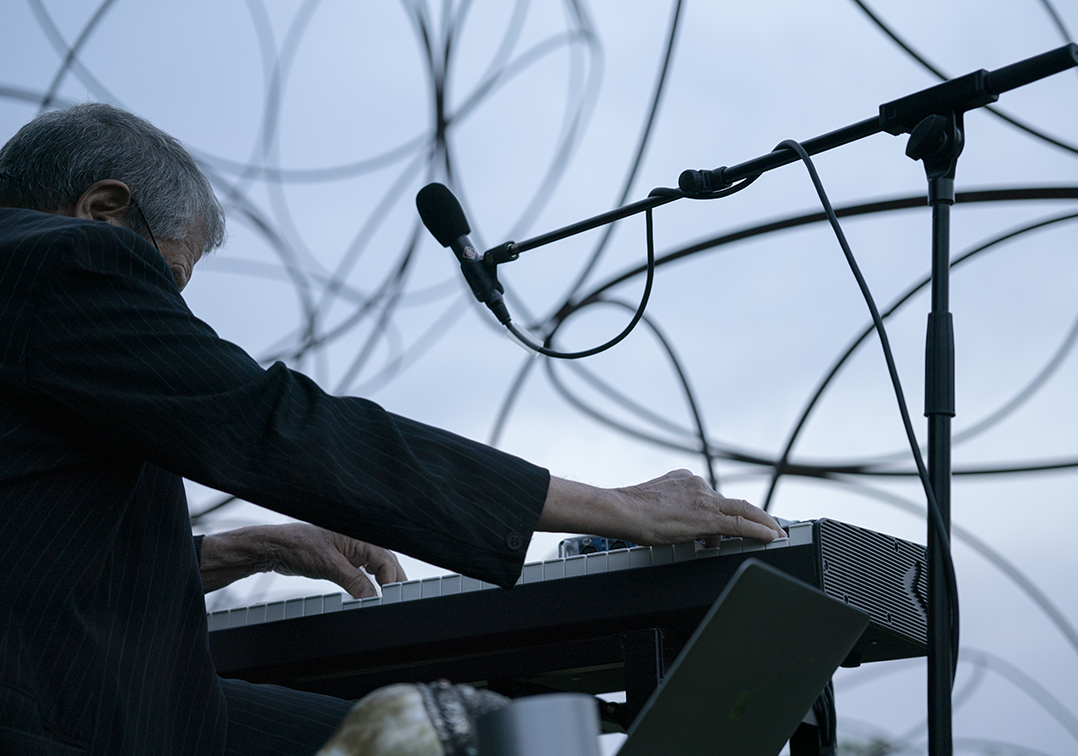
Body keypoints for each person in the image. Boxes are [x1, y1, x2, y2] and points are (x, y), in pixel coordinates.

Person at [0, 103, 786, 756]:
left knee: (441, 739)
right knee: (465, 740)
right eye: (170, 279)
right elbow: (278, 424)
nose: (174, 312)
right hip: (55, 712)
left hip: (96, 685)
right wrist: (617, 508)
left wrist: (243, 549)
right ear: (103, 210)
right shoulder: (68, 260)